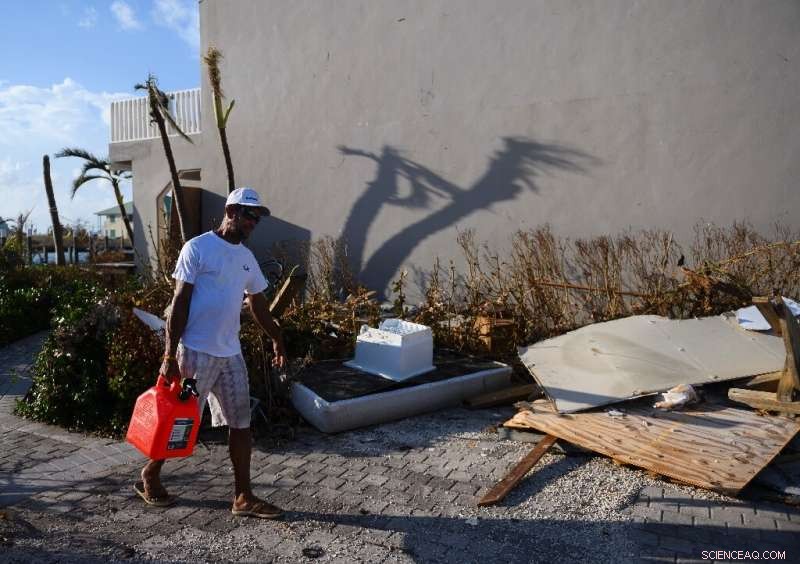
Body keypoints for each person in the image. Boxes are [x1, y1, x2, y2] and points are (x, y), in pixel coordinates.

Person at [134, 187, 288, 519]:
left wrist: (277, 337)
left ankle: (243, 497)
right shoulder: (198, 248)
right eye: (249, 214)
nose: (253, 222)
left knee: (241, 423)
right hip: (194, 359)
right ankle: (151, 473)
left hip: (230, 357)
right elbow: (180, 302)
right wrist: (167, 357)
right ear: (230, 210)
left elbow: (258, 305)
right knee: (181, 420)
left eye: (257, 218)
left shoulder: (246, 259)